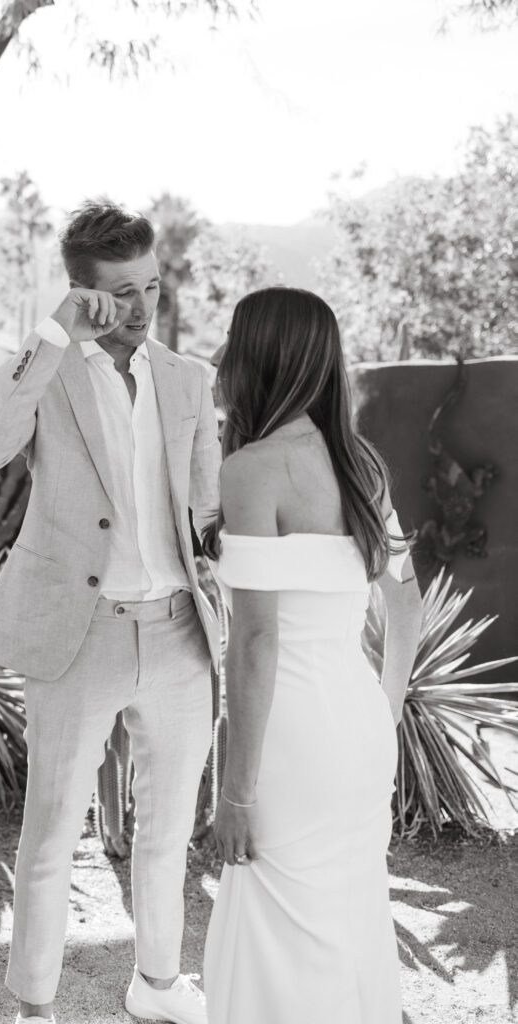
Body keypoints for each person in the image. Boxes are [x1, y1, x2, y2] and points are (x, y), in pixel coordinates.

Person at [0, 200, 221, 1024]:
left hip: (178, 633)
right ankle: (33, 1006)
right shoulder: (50, 369)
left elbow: (205, 508)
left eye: (151, 286)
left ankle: (158, 983)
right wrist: (54, 333)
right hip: (79, 635)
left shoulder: (189, 378)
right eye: (121, 293)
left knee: (167, 830)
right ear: (84, 293)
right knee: (51, 834)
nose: (142, 309)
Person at [201, 286, 424, 1024]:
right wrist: (382, 709)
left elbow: (257, 644)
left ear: (256, 358)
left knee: (279, 923)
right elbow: (405, 602)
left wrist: (234, 794)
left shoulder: (251, 470)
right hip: (355, 723)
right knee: (345, 916)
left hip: (290, 738)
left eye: (235, 345)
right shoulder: (363, 465)